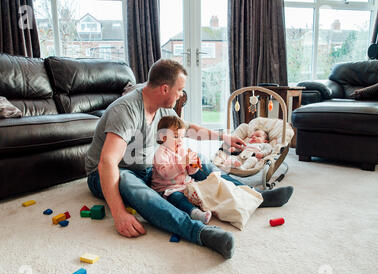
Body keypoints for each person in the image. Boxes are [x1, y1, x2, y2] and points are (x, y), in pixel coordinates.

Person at [85, 58, 294, 259]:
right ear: (164, 89)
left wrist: (224, 137)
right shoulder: (126, 111)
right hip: (106, 175)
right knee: (131, 182)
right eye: (179, 90)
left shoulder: (162, 105)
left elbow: (188, 129)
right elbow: (107, 163)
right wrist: (119, 213)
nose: (181, 95)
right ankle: (198, 232)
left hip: (149, 167)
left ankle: (254, 195)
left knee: (197, 158)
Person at [151, 115, 212, 224]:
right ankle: (195, 213)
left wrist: (193, 166)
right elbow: (166, 174)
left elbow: (189, 171)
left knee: (200, 188)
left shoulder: (182, 150)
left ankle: (211, 205)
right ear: (163, 137)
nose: (180, 140)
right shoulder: (160, 153)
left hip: (184, 184)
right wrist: (183, 162)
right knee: (177, 199)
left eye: (182, 137)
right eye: (175, 136)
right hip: (167, 188)